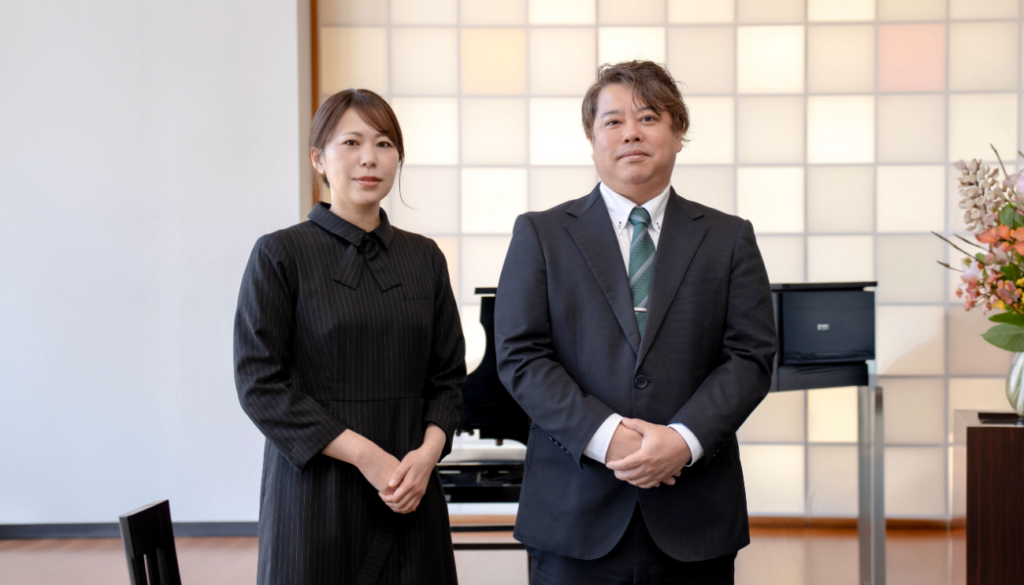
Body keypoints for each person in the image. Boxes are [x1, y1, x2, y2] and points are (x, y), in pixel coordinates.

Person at [495, 61, 777, 584]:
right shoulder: (540, 235)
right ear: (592, 138)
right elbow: (521, 356)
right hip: (573, 511)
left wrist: (683, 440)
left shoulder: (729, 238)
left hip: (694, 510)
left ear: (678, 133)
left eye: (648, 118)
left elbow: (751, 357)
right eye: (613, 121)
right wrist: (606, 437)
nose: (631, 133)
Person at [234, 88, 465, 585]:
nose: (369, 158)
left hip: (410, 487)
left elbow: (448, 379)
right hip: (315, 493)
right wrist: (367, 456)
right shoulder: (279, 254)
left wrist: (426, 458)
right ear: (318, 158)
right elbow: (260, 386)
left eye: (384, 144)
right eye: (351, 143)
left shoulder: (425, 257)